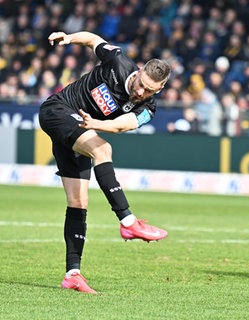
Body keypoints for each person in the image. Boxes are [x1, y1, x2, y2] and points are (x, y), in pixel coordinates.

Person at [38, 31, 171, 294]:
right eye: (141, 83)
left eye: (149, 90)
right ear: (140, 71)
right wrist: (69, 38)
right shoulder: (119, 63)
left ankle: (72, 274)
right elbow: (92, 39)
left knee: (78, 202)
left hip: (81, 128)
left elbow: (125, 125)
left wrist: (96, 124)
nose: (141, 91)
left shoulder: (148, 107)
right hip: (58, 111)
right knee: (102, 149)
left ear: (160, 89)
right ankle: (128, 222)